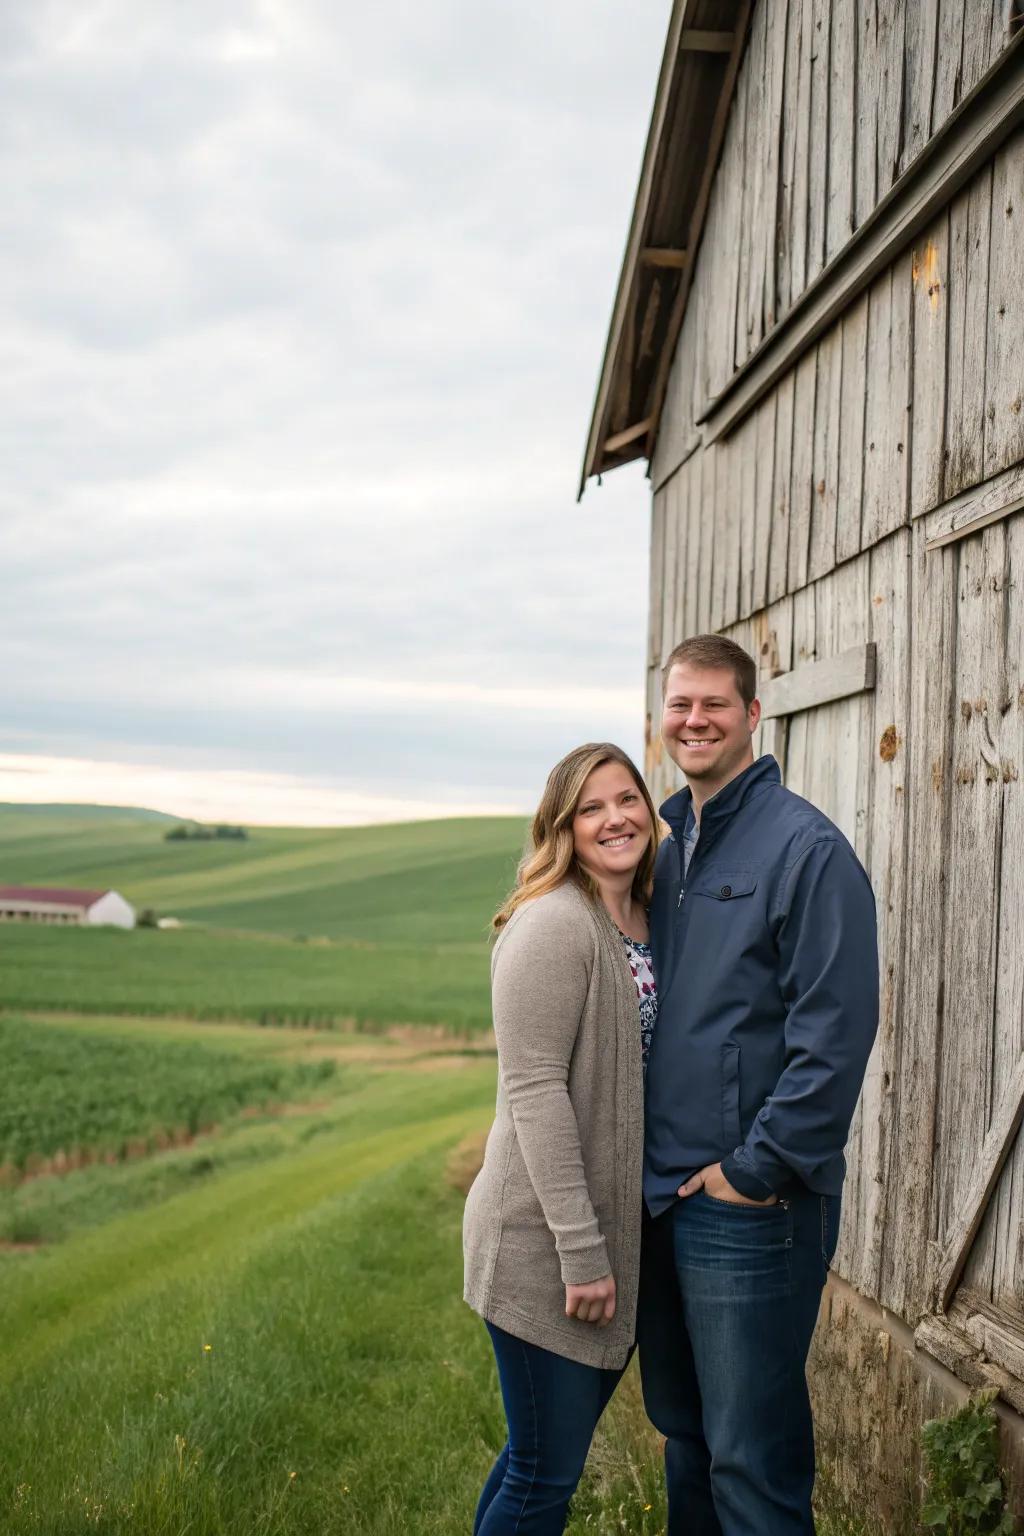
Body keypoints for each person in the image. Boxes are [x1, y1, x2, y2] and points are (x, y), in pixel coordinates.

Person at [637, 633, 879, 1536]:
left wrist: (754, 1170)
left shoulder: (805, 849)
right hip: (664, 1198)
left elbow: (835, 1035)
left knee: (751, 1464)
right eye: (680, 704)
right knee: (688, 1441)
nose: (694, 720)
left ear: (752, 714)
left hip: (749, 1208)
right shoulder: (670, 853)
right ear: (663, 717)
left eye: (714, 704)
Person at [463, 742, 658, 1535]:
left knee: (536, 1457)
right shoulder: (553, 924)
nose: (615, 819)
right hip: (542, 1241)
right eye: (591, 808)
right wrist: (582, 1252)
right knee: (545, 1475)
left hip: (606, 1234)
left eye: (627, 799)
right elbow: (536, 1093)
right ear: (563, 827)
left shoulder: (644, 916)